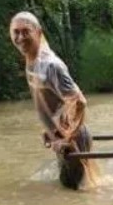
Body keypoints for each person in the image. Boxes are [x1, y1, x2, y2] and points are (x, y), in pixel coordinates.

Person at [9, 11, 97, 189]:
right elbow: (52, 103)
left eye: (26, 31)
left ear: (38, 33)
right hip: (62, 138)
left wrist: (67, 138)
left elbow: (78, 102)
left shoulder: (50, 65)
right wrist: (51, 131)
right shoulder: (31, 62)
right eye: (16, 32)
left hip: (73, 140)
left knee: (80, 194)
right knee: (73, 192)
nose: (20, 37)